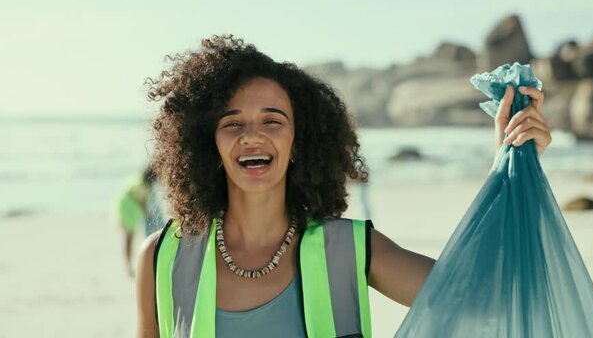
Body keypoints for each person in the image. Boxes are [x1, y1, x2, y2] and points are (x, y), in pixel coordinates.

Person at [135, 35, 552, 337]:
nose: (252, 136)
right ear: (208, 142)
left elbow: (487, 298)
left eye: (272, 121)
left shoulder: (352, 250)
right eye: (232, 123)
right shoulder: (162, 257)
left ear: (300, 140)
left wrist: (513, 165)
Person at [118, 165, 167, 277]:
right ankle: (128, 266)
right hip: (127, 209)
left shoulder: (142, 183)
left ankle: (129, 266)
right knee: (129, 237)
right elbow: (143, 204)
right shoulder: (141, 185)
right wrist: (149, 215)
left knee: (129, 237)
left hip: (129, 208)